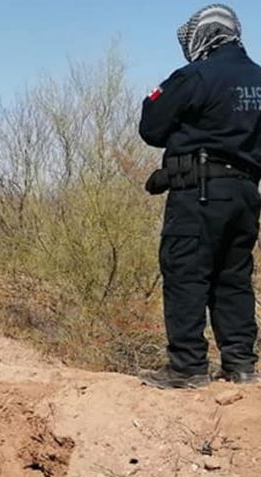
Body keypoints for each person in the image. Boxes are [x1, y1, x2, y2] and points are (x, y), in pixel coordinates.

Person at [139, 4, 261, 389]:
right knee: (234, 277)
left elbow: (152, 127)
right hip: (246, 194)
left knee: (186, 272)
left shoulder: (195, 76)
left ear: (201, 37)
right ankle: (240, 364)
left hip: (200, 192)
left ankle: (188, 367)